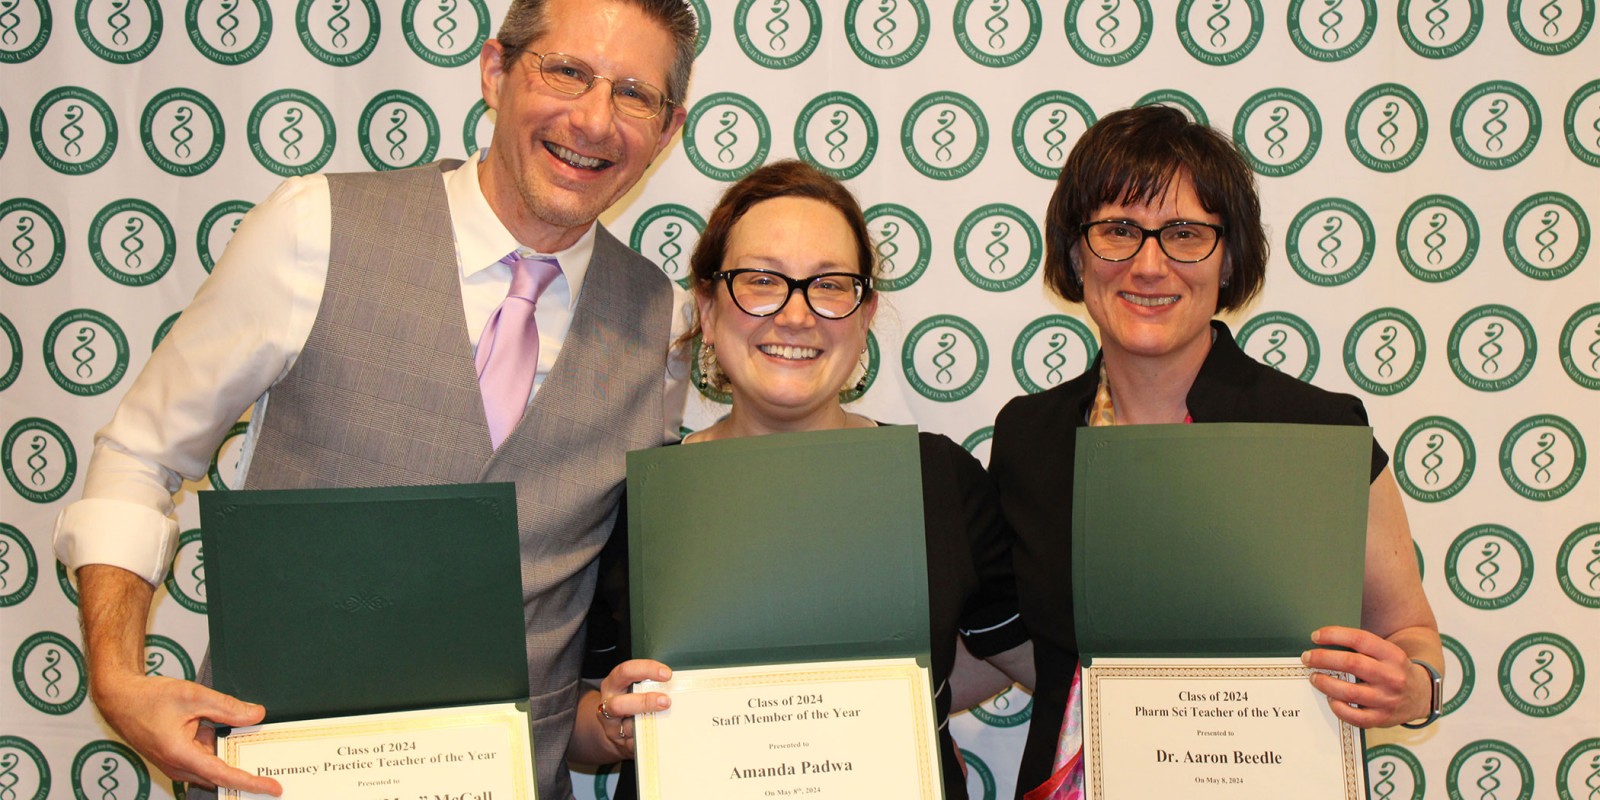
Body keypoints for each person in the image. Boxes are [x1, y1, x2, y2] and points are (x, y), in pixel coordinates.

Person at [49, 1, 696, 797]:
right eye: (565, 71)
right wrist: (117, 678)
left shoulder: (662, 321)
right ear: (495, 73)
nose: (594, 120)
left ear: (667, 132)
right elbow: (141, 453)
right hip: (278, 777)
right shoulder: (313, 226)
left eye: (635, 94)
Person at [987, 105, 1443, 798]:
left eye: (1184, 234)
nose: (1148, 265)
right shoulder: (1029, 438)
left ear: (1228, 258)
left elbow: (1411, 635)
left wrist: (1411, 688)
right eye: (1117, 231)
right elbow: (1034, 653)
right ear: (1077, 254)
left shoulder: (1318, 435)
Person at [565, 160, 1035, 798]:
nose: (795, 315)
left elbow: (1031, 658)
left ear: (865, 312)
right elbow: (574, 716)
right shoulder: (644, 497)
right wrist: (616, 728)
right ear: (706, 303)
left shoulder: (938, 480)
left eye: (830, 285)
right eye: (761, 280)